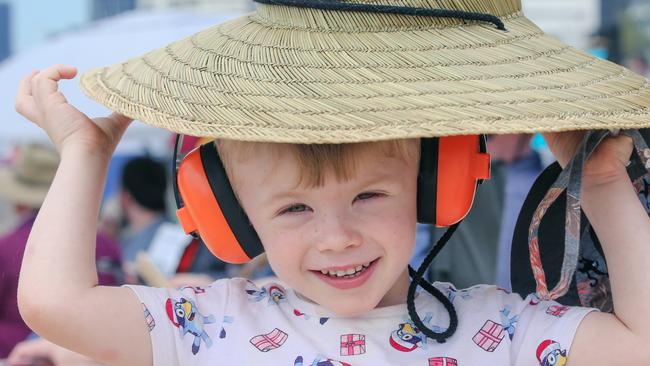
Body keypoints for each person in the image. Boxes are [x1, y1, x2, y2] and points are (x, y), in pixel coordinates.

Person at [11, 0, 650, 365]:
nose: (337, 237)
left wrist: (599, 184)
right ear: (230, 213)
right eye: (293, 209)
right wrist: (84, 154)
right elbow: (55, 305)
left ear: (438, 185)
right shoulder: (209, 324)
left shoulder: (502, 331)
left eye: (369, 196)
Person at [0, 143, 122, 359]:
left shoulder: (7, 246)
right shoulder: (106, 244)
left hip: (20, 355)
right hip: (95, 355)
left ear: (19, 202)